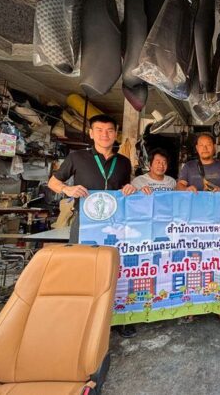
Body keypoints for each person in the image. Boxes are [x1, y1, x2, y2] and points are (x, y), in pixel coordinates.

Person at [47, 114, 137, 338]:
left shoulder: (123, 162)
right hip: (85, 223)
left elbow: (125, 188)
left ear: (116, 134)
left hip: (115, 225)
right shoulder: (77, 157)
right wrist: (67, 189)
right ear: (91, 133)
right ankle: (82, 318)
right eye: (99, 130)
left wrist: (129, 189)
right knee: (82, 267)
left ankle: (118, 317)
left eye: (109, 130)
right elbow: (53, 182)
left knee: (116, 268)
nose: (104, 134)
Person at [176, 133, 220, 323]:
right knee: (194, 262)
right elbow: (179, 185)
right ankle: (191, 304)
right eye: (202, 145)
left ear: (214, 147)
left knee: (218, 260)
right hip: (194, 223)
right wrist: (186, 189)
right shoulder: (189, 166)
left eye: (208, 144)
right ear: (197, 148)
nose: (205, 148)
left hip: (218, 223)